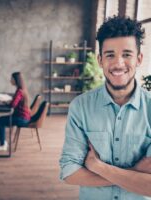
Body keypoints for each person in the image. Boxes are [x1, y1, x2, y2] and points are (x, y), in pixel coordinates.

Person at [59, 16, 151, 199]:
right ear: (100, 60)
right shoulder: (80, 107)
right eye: (110, 55)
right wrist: (134, 173)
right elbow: (70, 173)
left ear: (139, 59)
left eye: (127, 54)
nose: (118, 63)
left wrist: (98, 167)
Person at [0, 72, 31, 151]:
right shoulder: (22, 89)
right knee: (1, 120)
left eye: (12, 79)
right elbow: (15, 102)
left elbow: (12, 105)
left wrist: (7, 102)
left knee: (0, 121)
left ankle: (3, 144)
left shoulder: (19, 91)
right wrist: (9, 102)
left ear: (16, 80)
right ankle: (2, 142)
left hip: (22, 119)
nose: (10, 80)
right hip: (23, 116)